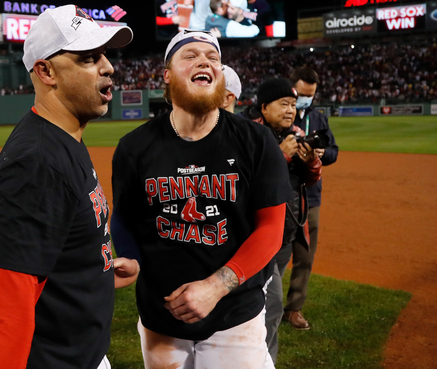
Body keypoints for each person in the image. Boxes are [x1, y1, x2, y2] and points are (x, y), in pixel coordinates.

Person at [0, 4, 140, 369]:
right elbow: (7, 311)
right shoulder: (38, 164)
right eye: (89, 58)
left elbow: (10, 244)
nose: (108, 67)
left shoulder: (63, 136)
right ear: (46, 71)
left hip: (80, 351)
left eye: (104, 55)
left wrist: (97, 268)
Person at [110, 30, 293, 369]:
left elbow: (271, 228)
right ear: (166, 75)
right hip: (160, 319)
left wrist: (216, 287)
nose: (204, 61)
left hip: (235, 315)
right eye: (190, 55)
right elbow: (123, 216)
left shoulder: (255, 141)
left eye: (213, 57)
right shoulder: (133, 148)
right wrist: (131, 258)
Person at [240, 77, 323, 365]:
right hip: (258, 234)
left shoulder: (296, 133)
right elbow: (245, 181)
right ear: (264, 107)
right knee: (272, 304)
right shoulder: (247, 132)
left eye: (293, 104)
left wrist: (311, 161)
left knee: (264, 304)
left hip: (287, 231)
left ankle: (257, 357)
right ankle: (262, 361)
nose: (290, 110)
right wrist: (282, 156)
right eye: (283, 104)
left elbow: (310, 180)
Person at [279, 67, 339, 330]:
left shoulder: (317, 118)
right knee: (272, 253)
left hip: (310, 196)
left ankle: (294, 309)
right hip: (280, 194)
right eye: (302, 95)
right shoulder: (278, 116)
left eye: (310, 96)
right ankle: (263, 305)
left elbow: (334, 152)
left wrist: (322, 154)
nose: (306, 100)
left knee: (304, 256)